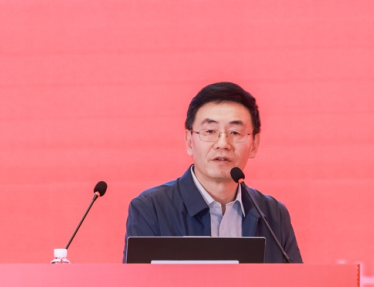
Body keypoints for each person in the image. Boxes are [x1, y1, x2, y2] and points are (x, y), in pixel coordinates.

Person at [123, 82, 303, 263]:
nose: (223, 143)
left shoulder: (274, 215)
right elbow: (139, 281)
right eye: (209, 131)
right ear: (189, 141)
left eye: (235, 132)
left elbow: (294, 280)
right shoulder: (151, 209)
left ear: (254, 144)